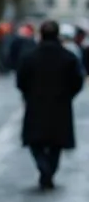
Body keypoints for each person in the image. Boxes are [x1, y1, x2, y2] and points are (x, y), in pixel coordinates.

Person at [17, 20, 84, 190]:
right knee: (57, 143)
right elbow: (78, 81)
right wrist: (68, 94)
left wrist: (28, 94)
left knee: (35, 141)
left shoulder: (29, 57)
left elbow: (21, 81)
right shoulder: (68, 57)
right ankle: (49, 170)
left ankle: (44, 169)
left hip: (35, 104)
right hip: (60, 105)